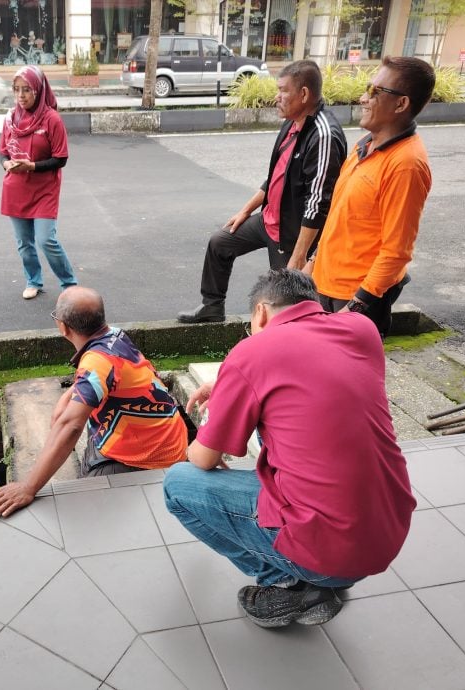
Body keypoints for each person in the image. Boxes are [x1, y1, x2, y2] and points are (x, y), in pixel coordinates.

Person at [164, 269, 416, 628]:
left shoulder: (251, 351)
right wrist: (227, 386)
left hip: (330, 551)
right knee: (284, 426)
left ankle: (289, 584)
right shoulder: (362, 330)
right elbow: (302, 374)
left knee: (178, 483)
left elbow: (203, 458)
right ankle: (319, 571)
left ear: (261, 312)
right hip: (386, 532)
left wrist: (219, 410)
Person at [0, 286, 188, 517]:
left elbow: (70, 426)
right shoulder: (114, 336)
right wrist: (67, 397)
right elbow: (94, 382)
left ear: (63, 327)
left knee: (87, 509)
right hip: (161, 438)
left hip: (148, 459)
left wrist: (28, 487)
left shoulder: (96, 362)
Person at [178, 60, 347, 323]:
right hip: (269, 220)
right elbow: (275, 177)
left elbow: (318, 202)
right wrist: (245, 211)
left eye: (283, 90)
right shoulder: (291, 123)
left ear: (303, 94)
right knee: (220, 243)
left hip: (293, 233)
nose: (276, 97)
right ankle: (212, 306)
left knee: (286, 301)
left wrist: (299, 255)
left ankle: (296, 342)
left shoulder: (323, 135)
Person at [310, 56, 435, 338]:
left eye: (375, 92)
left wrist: (356, 305)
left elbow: (396, 251)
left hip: (356, 297)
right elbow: (341, 215)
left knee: (348, 378)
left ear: (401, 104)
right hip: (326, 285)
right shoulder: (363, 145)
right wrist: (313, 261)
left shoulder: (406, 165)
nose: (363, 98)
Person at [0, 65, 77, 300]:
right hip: (16, 187)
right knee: (24, 242)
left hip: (44, 189)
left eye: (27, 90)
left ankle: (69, 284)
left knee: (46, 240)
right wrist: (7, 165)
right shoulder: (11, 118)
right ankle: (33, 280)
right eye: (16, 90)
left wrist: (31, 166)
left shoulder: (51, 119)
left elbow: (61, 158)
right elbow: (3, 152)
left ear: (39, 90)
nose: (21, 96)